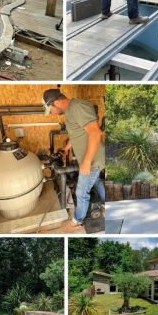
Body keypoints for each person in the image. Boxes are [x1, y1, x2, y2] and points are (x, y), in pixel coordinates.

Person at [43, 89, 105, 228]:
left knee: (81, 192)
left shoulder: (77, 107)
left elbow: (95, 133)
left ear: (57, 102)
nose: (52, 114)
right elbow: (75, 133)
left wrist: (87, 161)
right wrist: (65, 149)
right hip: (89, 158)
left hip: (93, 159)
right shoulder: (70, 111)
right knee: (96, 182)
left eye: (51, 110)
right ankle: (106, 203)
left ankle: (78, 220)